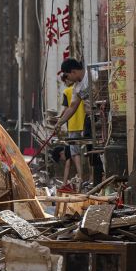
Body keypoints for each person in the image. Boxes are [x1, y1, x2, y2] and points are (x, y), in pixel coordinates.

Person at [55, 58, 90, 186]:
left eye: (67, 75)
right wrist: (60, 122)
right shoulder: (76, 88)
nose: (68, 79)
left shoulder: (93, 76)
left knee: (98, 151)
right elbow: (72, 107)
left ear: (73, 71)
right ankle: (93, 180)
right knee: (91, 152)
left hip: (102, 116)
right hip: (90, 120)